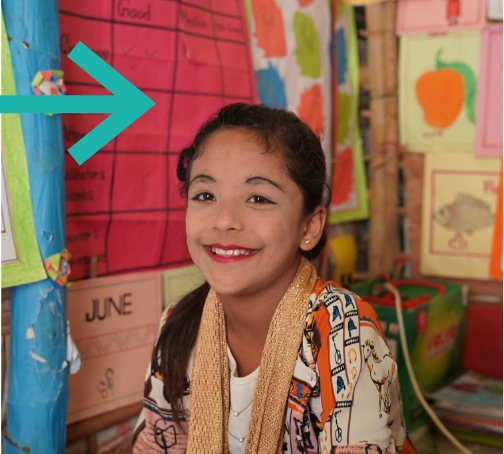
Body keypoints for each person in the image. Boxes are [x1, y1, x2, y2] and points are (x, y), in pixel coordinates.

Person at [132, 103, 416, 454]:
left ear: (309, 226)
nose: (224, 220)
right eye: (205, 195)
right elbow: (159, 444)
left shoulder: (343, 331)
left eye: (258, 198)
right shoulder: (178, 325)